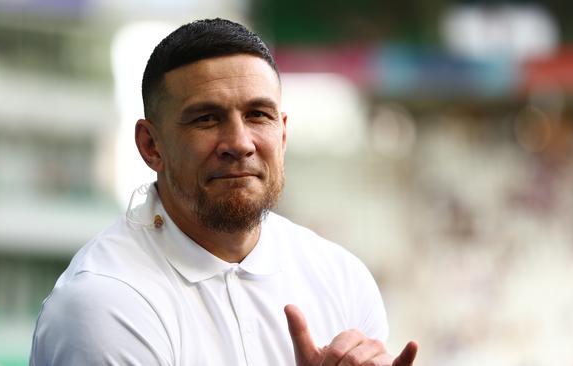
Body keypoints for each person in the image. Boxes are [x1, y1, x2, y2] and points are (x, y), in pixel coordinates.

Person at [30, 18, 418, 366]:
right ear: (151, 146)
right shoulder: (103, 305)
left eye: (258, 115)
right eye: (206, 119)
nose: (239, 142)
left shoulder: (342, 278)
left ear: (282, 134)